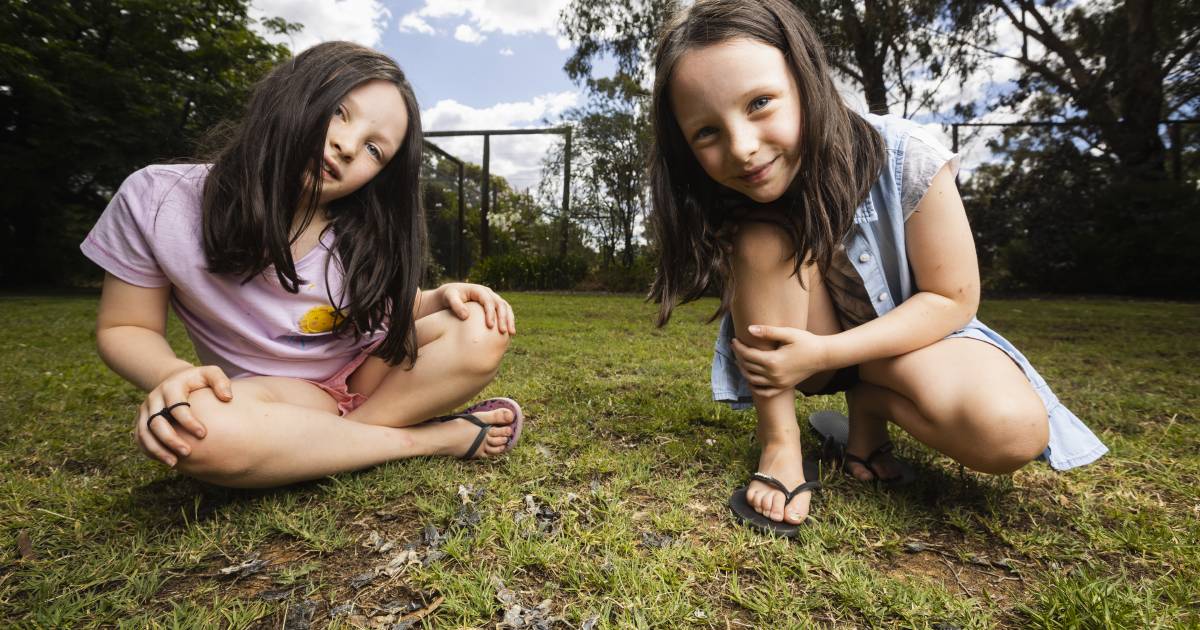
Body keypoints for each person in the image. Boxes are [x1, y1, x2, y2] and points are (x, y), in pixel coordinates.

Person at [646, 0, 1106, 536]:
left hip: (907, 343)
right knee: (762, 239)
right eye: (707, 133)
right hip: (804, 355)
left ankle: (870, 405)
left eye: (761, 102)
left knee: (1011, 433)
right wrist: (812, 359)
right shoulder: (732, 197)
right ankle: (781, 443)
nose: (743, 148)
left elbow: (953, 300)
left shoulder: (907, 153)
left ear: (807, 78)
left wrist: (830, 353)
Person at [81, 42, 523, 489]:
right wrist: (173, 376)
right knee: (192, 428)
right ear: (291, 91)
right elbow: (124, 326)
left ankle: (324, 446)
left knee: (483, 328)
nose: (348, 146)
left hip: (369, 377)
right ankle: (429, 440)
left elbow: (383, 312)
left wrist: (438, 297)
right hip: (274, 396)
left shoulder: (360, 229)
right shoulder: (157, 200)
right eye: (338, 111)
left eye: (374, 149)